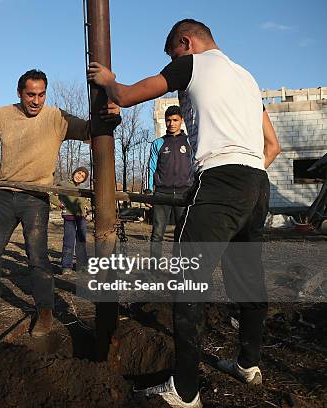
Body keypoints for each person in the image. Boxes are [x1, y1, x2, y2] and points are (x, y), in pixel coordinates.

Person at [88, 19, 281, 408]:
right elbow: (272, 145)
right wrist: (246, 175)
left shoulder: (193, 64)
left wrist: (109, 79)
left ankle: (186, 391)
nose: (172, 64)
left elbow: (125, 96)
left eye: (172, 54)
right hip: (257, 183)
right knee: (247, 278)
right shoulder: (246, 77)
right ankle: (248, 363)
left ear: (185, 42)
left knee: (186, 283)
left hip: (220, 181)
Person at [0, 69, 121, 338]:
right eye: (30, 95)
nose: (36, 101)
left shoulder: (56, 118)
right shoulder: (2, 115)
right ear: (19, 93)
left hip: (35, 198)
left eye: (41, 94)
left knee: (37, 258)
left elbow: (88, 130)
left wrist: (111, 116)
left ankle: (45, 311)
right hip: (4, 195)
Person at [146, 105, 194, 260]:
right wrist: (148, 191)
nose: (171, 123)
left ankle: (178, 271)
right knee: (157, 234)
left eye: (175, 120)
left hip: (184, 194)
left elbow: (196, 165)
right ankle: (154, 272)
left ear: (181, 121)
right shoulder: (158, 143)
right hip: (161, 193)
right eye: (168, 120)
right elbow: (151, 166)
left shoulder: (190, 143)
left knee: (181, 235)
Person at [52, 166, 91, 275]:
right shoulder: (63, 184)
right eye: (79, 173)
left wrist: (87, 207)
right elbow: (51, 194)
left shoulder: (82, 189)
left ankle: (82, 265)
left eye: (83, 176)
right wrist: (60, 204)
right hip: (69, 217)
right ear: (74, 173)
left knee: (81, 242)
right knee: (69, 241)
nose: (80, 177)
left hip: (81, 218)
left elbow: (84, 202)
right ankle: (66, 266)